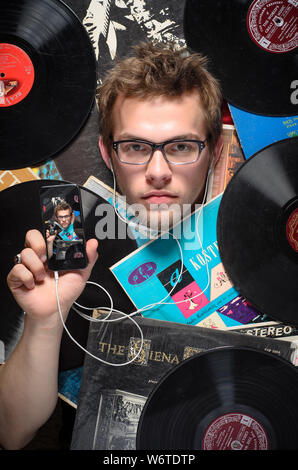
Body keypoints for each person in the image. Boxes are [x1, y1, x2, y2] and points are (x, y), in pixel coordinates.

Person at [0, 41, 223, 449]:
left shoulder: (270, 242)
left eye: (181, 147)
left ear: (215, 151)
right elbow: (11, 434)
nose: (158, 172)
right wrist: (45, 321)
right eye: (136, 147)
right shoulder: (64, 231)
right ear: (107, 152)